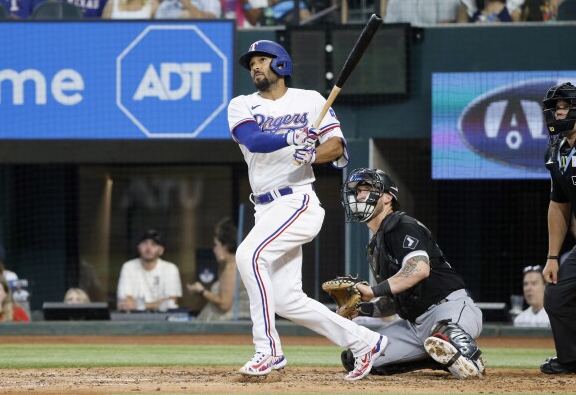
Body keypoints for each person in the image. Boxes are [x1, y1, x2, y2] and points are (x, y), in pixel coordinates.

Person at [227, 40, 387, 381]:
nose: (255, 66)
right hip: (265, 208)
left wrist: (311, 154)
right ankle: (365, 342)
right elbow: (254, 140)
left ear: (281, 65)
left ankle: (267, 351)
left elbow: (336, 146)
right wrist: (292, 138)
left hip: (297, 200)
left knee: (248, 256)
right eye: (251, 62)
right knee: (285, 300)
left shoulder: (311, 100)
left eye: (262, 60)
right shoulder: (241, 105)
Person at [338, 168, 485, 379]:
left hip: (448, 309)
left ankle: (466, 356)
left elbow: (419, 269)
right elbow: (395, 302)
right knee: (357, 355)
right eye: (357, 191)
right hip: (413, 325)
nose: (359, 195)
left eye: (366, 189)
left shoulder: (401, 226)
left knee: (447, 335)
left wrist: (372, 290)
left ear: (388, 197)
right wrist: (360, 308)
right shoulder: (375, 245)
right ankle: (437, 356)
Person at [541, 82, 576, 375]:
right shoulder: (555, 152)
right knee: (557, 293)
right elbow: (559, 204)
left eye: (566, 108)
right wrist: (552, 257)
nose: (559, 113)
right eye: (555, 109)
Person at [187, 218, 250, 322]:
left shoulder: (233, 268)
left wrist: (202, 291)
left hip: (228, 325)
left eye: (216, 245)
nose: (214, 249)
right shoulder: (233, 265)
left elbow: (225, 304)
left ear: (225, 246)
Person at [117, 230, 182, 312]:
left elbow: (171, 302)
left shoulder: (171, 269)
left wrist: (139, 305)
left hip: (163, 320)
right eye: (144, 243)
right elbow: (125, 301)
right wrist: (158, 304)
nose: (148, 248)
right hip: (133, 318)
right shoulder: (128, 267)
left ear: (161, 250)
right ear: (138, 248)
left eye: (154, 244)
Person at [155, 0, 220, 19]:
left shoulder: (210, 0)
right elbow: (158, 24)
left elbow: (210, 22)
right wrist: (179, 16)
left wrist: (184, 0)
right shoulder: (166, 4)